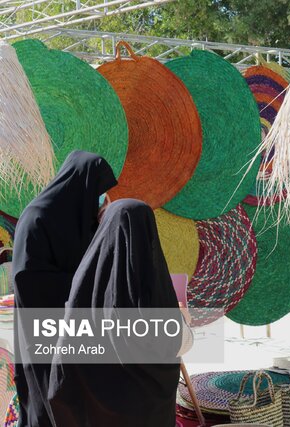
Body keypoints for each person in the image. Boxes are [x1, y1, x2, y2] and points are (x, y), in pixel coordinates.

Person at [48, 199, 189, 427]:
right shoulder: (154, 286)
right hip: (148, 414)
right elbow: (175, 343)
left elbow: (63, 366)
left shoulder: (85, 281)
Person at [12, 151, 117, 427]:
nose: (102, 198)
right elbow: (28, 281)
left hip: (78, 332)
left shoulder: (81, 221)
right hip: (44, 331)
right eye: (99, 191)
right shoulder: (37, 218)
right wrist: (86, 284)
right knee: (46, 404)